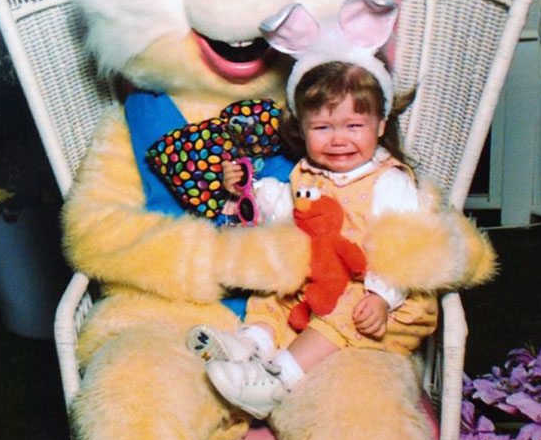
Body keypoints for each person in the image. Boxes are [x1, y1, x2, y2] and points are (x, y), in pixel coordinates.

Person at [186, 47, 438, 420]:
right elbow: (286, 215)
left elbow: (402, 247)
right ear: (302, 129)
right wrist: (245, 193)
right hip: (318, 279)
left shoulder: (389, 181)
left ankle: (277, 379)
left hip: (371, 290)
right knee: (274, 293)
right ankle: (251, 344)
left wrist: (382, 297)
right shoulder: (307, 173)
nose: (338, 140)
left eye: (354, 126)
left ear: (381, 125)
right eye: (322, 128)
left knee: (343, 310)